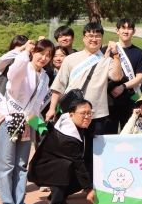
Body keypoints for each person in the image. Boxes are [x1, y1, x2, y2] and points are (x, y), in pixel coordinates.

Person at [47, 22, 123, 172]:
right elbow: (59, 86)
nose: (94, 39)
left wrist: (116, 55)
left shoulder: (106, 60)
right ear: (83, 38)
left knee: (94, 153)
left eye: (97, 36)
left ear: (102, 38)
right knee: (69, 150)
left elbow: (116, 76)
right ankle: (65, 186)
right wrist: (51, 108)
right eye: (90, 35)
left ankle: (90, 186)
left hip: (97, 113)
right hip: (72, 113)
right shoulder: (70, 59)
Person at [0, 39, 54, 204]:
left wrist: (42, 127)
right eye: (40, 53)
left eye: (48, 55)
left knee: (21, 165)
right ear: (33, 53)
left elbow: (36, 107)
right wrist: (24, 52)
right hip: (10, 119)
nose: (43, 58)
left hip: (27, 123)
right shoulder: (23, 67)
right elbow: (13, 75)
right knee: (7, 165)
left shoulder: (45, 77)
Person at [27, 99, 95, 204]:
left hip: (53, 167)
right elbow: (78, 164)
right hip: (42, 170)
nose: (87, 116)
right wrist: (89, 189)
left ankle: (56, 197)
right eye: (83, 113)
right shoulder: (67, 137)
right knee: (66, 166)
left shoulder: (70, 122)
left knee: (86, 169)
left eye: (89, 113)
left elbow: (43, 127)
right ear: (71, 114)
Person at [0, 34, 29, 199]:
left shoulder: (25, 68)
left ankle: (9, 183)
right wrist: (22, 49)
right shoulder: (2, 65)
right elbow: (5, 57)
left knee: (12, 151)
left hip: (17, 114)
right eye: (17, 47)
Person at [105, 19, 142, 134]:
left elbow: (140, 77)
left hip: (130, 100)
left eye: (129, 28)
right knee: (110, 135)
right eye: (123, 28)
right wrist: (108, 51)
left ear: (134, 31)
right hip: (109, 102)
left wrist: (123, 87)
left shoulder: (139, 53)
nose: (126, 31)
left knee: (129, 134)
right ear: (117, 30)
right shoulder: (108, 49)